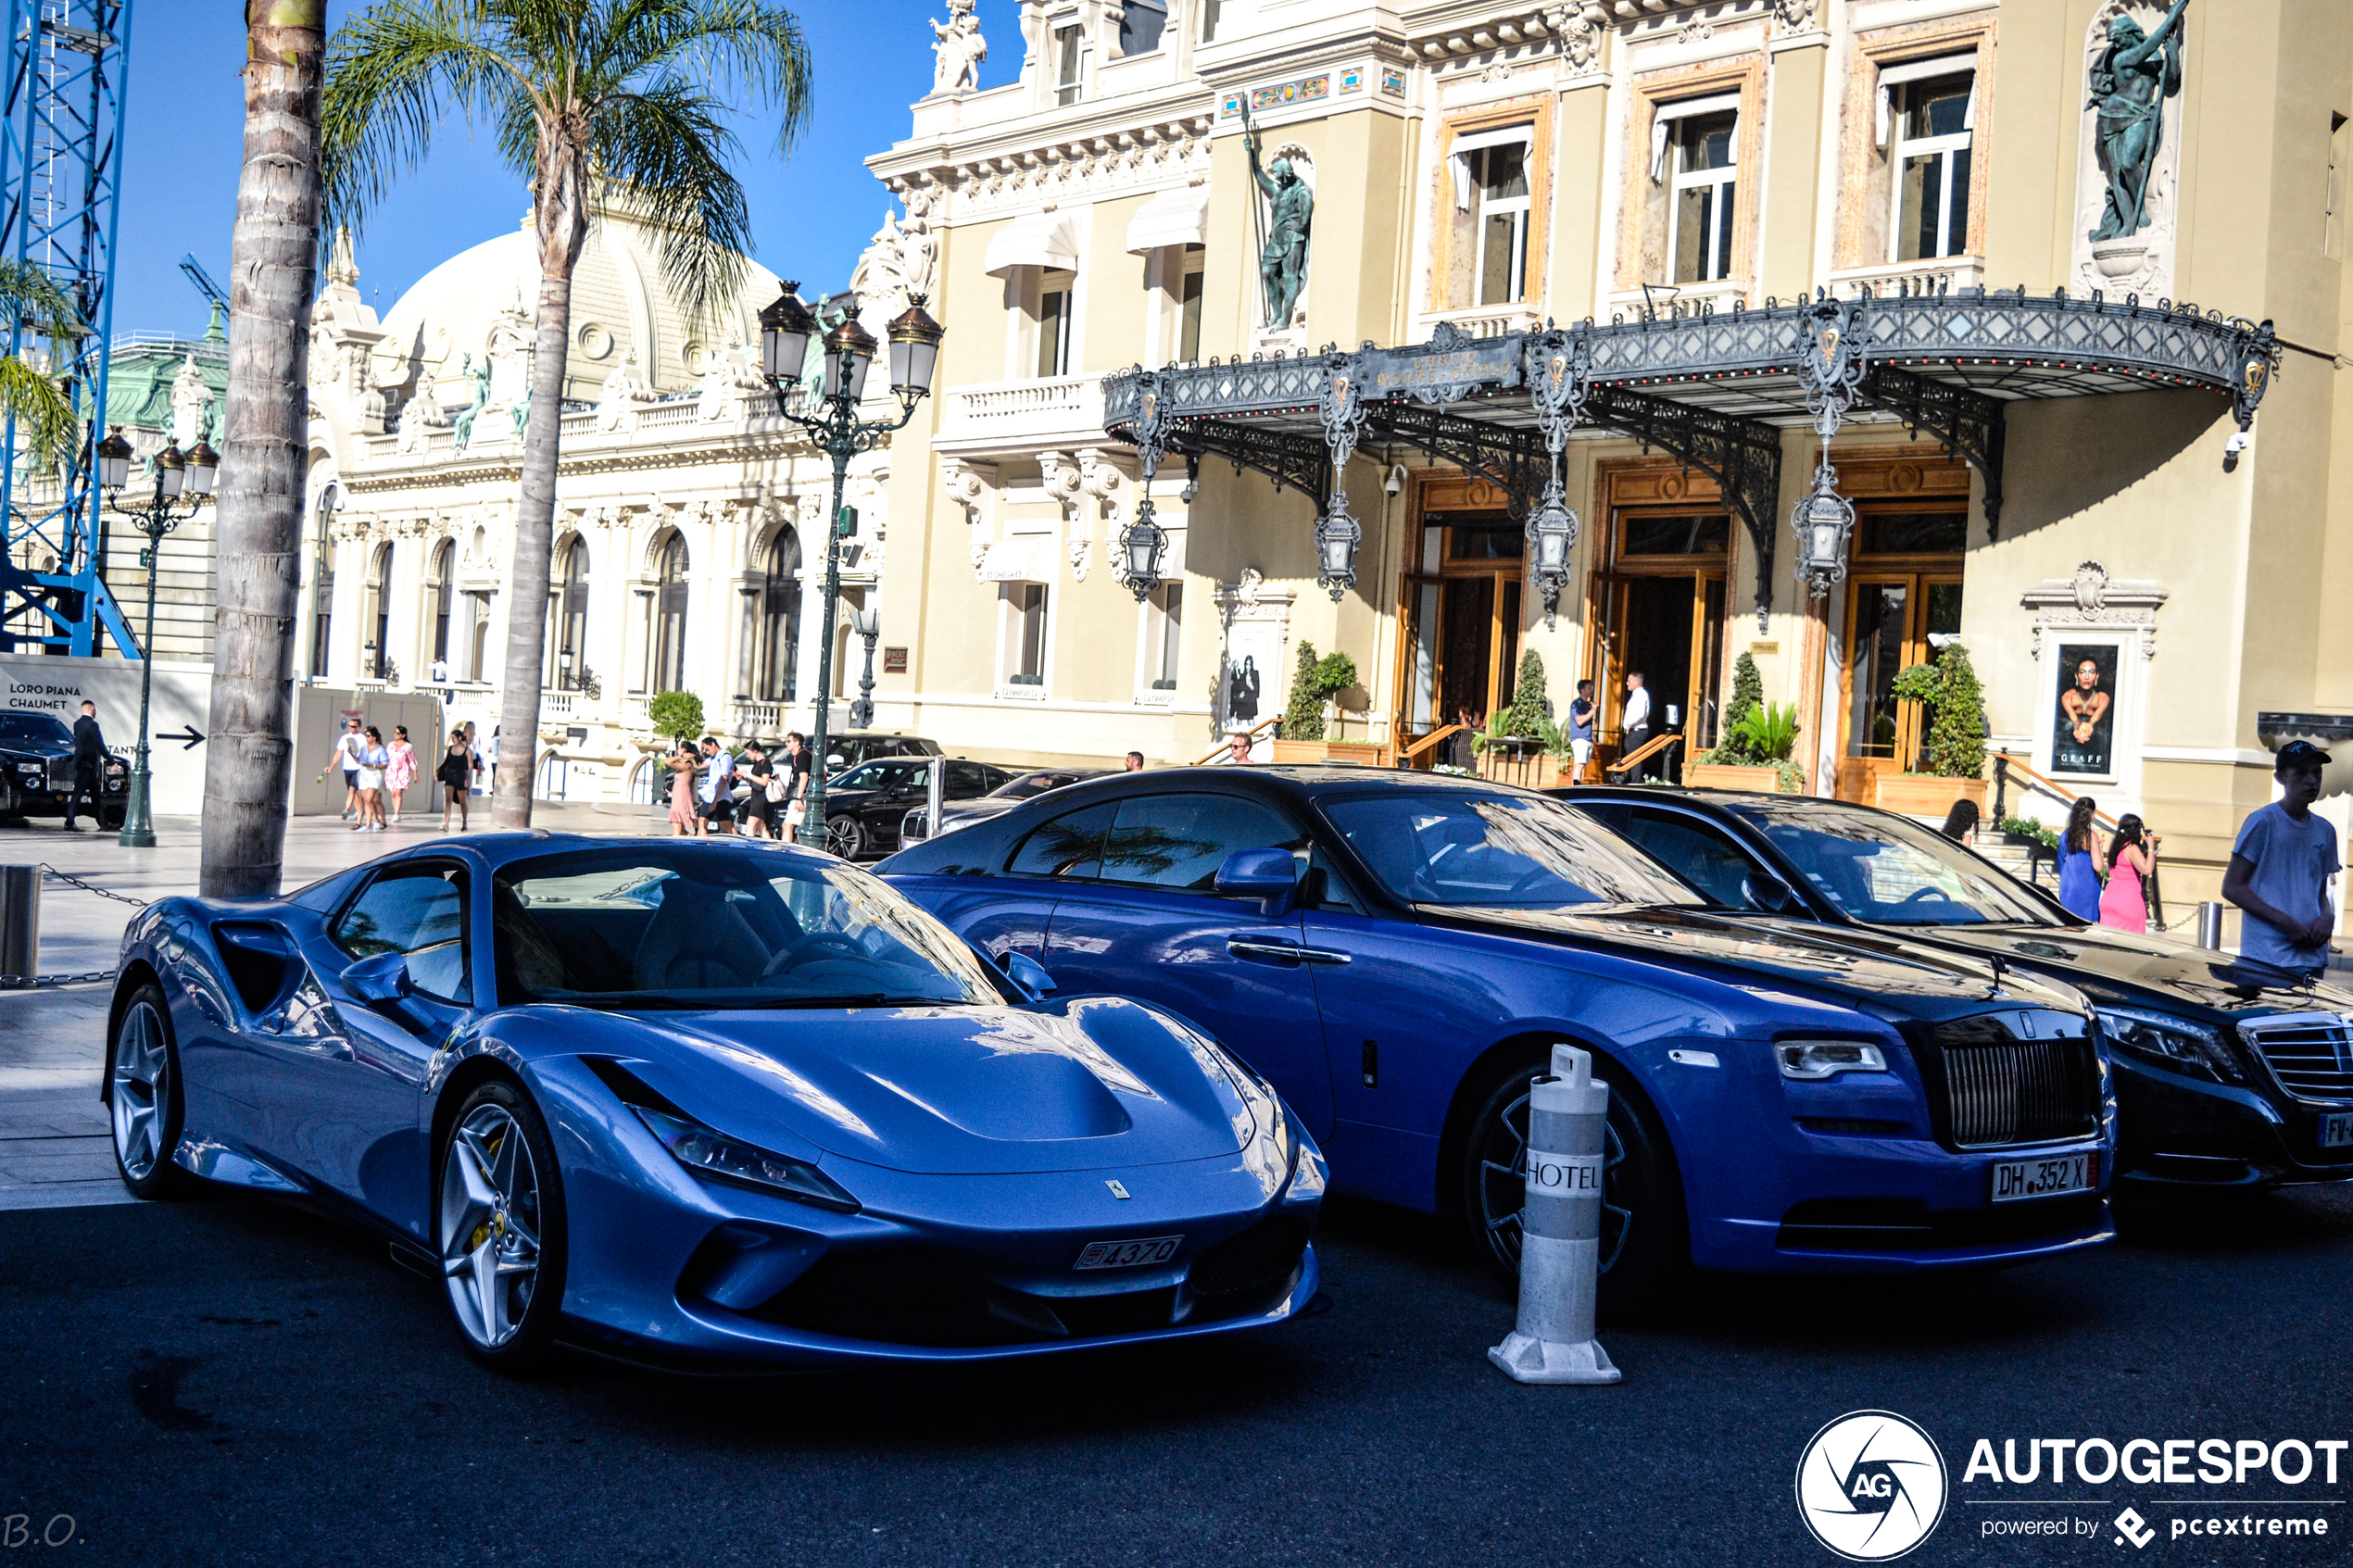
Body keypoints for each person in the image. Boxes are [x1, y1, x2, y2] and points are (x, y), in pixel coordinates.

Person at [2222, 740, 2341, 979]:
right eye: (2300, 773)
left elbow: (2319, 892)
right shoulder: (2263, 822)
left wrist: (2328, 918)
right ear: (2280, 778)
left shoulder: (2325, 830)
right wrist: (2285, 922)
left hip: (2312, 959)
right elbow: (2232, 887)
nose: (2311, 780)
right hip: (2268, 960)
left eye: (2316, 772)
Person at [2098, 813, 2157, 933]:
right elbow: (2147, 869)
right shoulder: (2131, 849)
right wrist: (2151, 848)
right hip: (2128, 901)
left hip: (2110, 898)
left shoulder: (2114, 847)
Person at [2057, 797, 2104, 923]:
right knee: (2087, 927)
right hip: (2087, 886)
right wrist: (2100, 850)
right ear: (2092, 815)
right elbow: (2098, 866)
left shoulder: (2065, 835)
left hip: (2068, 884)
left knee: (2068, 924)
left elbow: (2061, 861)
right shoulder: (2091, 836)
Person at [62, 698, 107, 832]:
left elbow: (81, 745)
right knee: (78, 794)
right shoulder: (93, 725)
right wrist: (111, 761)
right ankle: (69, 821)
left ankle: (103, 822)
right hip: (88, 764)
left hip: (83, 764)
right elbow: (99, 745)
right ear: (92, 708)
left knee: (95, 795)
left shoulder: (77, 724)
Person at [322, 715, 365, 820]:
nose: (350, 728)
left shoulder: (363, 739)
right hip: (347, 768)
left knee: (352, 790)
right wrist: (331, 766)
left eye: (353, 726)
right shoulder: (344, 738)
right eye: (349, 726)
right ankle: (360, 812)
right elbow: (339, 753)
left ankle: (346, 810)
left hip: (359, 768)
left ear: (359, 727)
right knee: (353, 793)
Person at [436, 728, 475, 832]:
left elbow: (470, 766)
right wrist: (438, 772)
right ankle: (446, 823)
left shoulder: (467, 751)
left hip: (461, 777)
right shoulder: (450, 749)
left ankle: (465, 822)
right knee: (448, 800)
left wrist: (468, 778)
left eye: (454, 738)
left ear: (459, 738)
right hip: (450, 776)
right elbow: (446, 762)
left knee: (462, 802)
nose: (452, 740)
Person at [698, 736, 736, 837]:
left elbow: (723, 779)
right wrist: (700, 751)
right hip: (710, 796)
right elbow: (699, 765)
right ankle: (701, 846)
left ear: (714, 745)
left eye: (707, 749)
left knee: (725, 823)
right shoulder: (713, 758)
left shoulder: (725, 757)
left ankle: (739, 841)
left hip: (721, 797)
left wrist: (715, 801)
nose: (706, 752)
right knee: (702, 821)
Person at [739, 740, 778, 839]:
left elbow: (764, 781)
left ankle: (749, 848)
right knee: (761, 826)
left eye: (748, 753)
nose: (747, 756)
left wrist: (748, 775)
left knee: (750, 826)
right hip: (756, 795)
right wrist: (744, 778)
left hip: (761, 798)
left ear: (755, 751)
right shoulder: (757, 763)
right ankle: (769, 848)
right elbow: (756, 782)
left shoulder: (765, 763)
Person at [353, 726, 389, 832]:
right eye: (366, 736)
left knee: (370, 798)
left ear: (374, 737)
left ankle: (377, 820)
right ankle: (368, 824)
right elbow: (360, 760)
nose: (366, 738)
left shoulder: (381, 749)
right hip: (364, 773)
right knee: (365, 799)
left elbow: (385, 764)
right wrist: (353, 754)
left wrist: (373, 765)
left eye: (368, 736)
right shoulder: (364, 748)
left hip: (375, 774)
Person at [1621, 671, 1653, 782]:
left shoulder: (1641, 694)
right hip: (1633, 730)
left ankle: (1636, 782)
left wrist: (1630, 724)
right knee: (1631, 756)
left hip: (1637, 730)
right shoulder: (1636, 695)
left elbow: (1641, 714)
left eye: (1629, 681)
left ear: (1636, 682)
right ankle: (1633, 780)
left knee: (1635, 757)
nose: (1627, 683)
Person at [384, 725, 418, 826]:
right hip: (391, 770)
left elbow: (412, 760)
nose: (395, 734)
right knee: (393, 792)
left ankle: (396, 813)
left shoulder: (408, 746)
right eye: (395, 732)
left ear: (403, 735)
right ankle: (396, 811)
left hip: (402, 770)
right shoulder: (390, 745)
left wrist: (415, 773)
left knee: (398, 791)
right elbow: (386, 757)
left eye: (398, 733)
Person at [665, 743, 700, 836]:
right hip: (679, 795)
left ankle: (676, 847)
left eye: (679, 749)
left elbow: (668, 762)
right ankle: (692, 843)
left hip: (681, 797)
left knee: (677, 827)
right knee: (681, 831)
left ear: (684, 750)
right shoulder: (685, 765)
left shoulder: (687, 766)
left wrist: (681, 756)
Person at [1567, 679, 1597, 784]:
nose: (1591, 690)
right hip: (1580, 738)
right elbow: (1579, 721)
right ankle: (1575, 786)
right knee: (1579, 764)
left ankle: (1577, 784)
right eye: (1589, 688)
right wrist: (1592, 710)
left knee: (1583, 764)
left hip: (1587, 738)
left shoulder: (1588, 704)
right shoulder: (1577, 704)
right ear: (1582, 690)